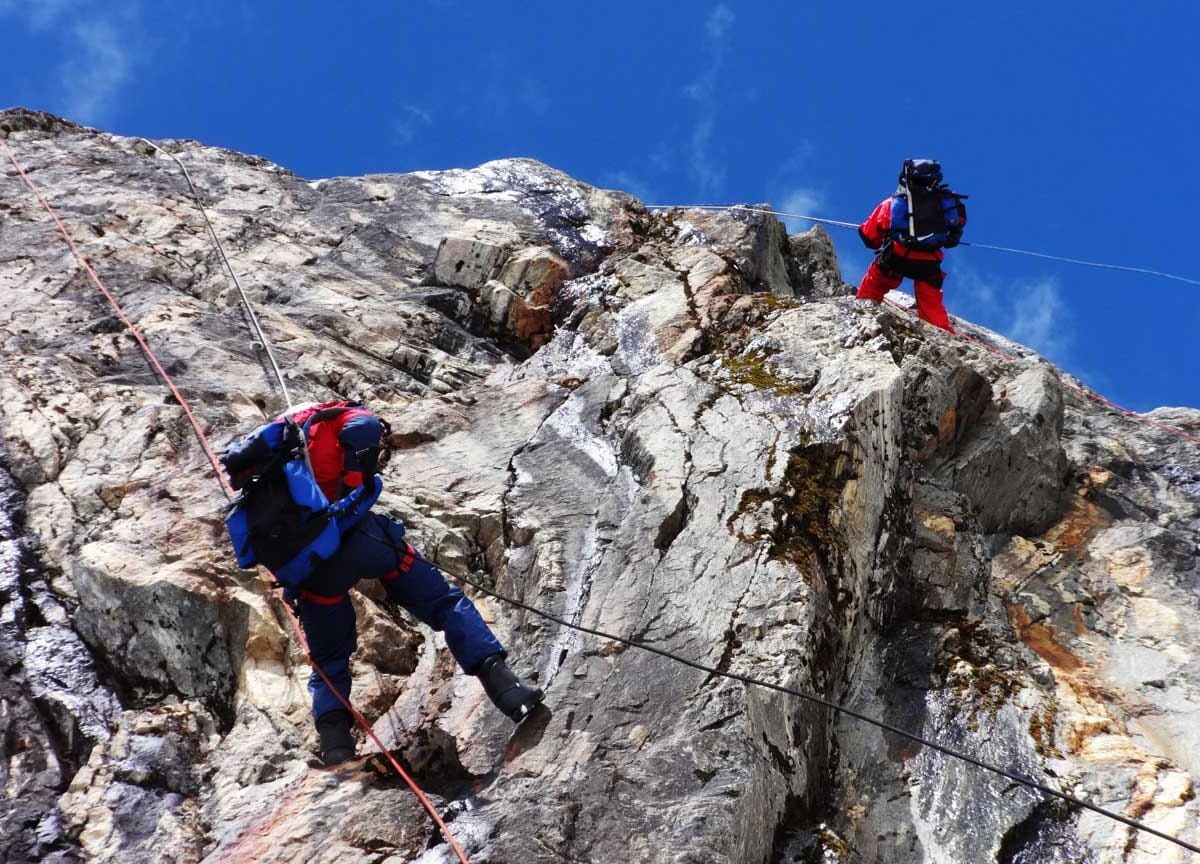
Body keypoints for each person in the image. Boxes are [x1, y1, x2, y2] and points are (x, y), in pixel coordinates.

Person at [285, 403, 544, 765]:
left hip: (311, 569)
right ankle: (509, 691)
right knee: (443, 603)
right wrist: (358, 481)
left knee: (329, 659)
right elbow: (363, 428)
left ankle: (337, 751)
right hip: (360, 538)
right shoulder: (337, 416)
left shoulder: (274, 458)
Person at [856, 159, 967, 333]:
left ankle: (862, 309)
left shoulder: (891, 204)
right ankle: (941, 332)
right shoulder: (947, 202)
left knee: (875, 282)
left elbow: (869, 237)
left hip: (896, 257)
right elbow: (955, 231)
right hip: (929, 263)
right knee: (930, 300)